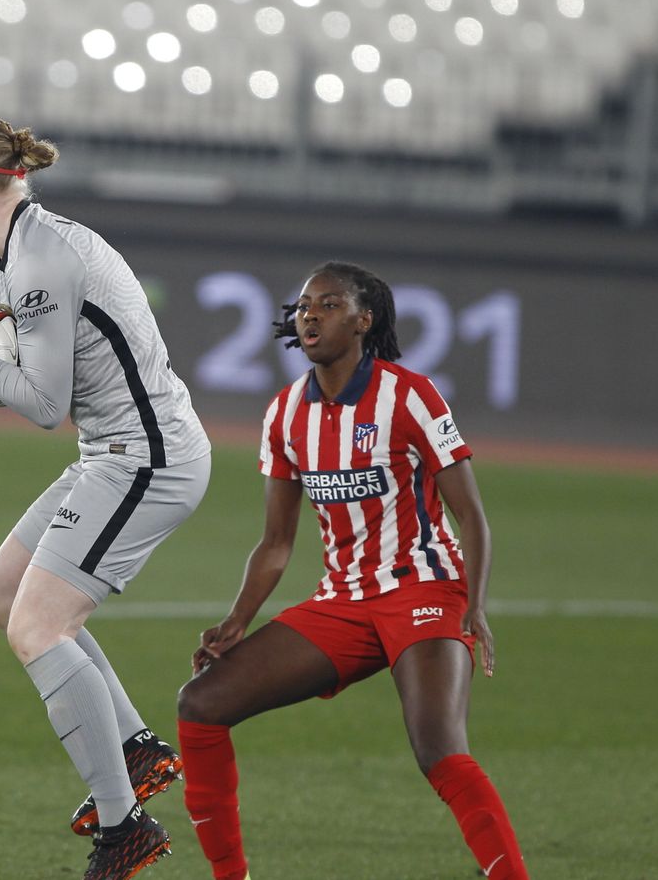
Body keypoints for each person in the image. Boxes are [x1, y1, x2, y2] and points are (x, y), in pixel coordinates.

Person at [0, 115, 213, 880]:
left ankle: (124, 830)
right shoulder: (8, 254)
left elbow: (43, 404)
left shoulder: (41, 259)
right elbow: (35, 389)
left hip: (148, 457)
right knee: (2, 592)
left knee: (39, 624)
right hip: (112, 451)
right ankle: (135, 748)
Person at [174, 261, 528, 880]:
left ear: (364, 321)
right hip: (342, 602)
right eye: (305, 305)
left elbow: (470, 515)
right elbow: (276, 543)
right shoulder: (285, 413)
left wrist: (472, 605)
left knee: (438, 749)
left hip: (423, 589)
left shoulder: (409, 394)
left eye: (330, 304)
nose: (310, 314)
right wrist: (237, 621)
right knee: (202, 704)